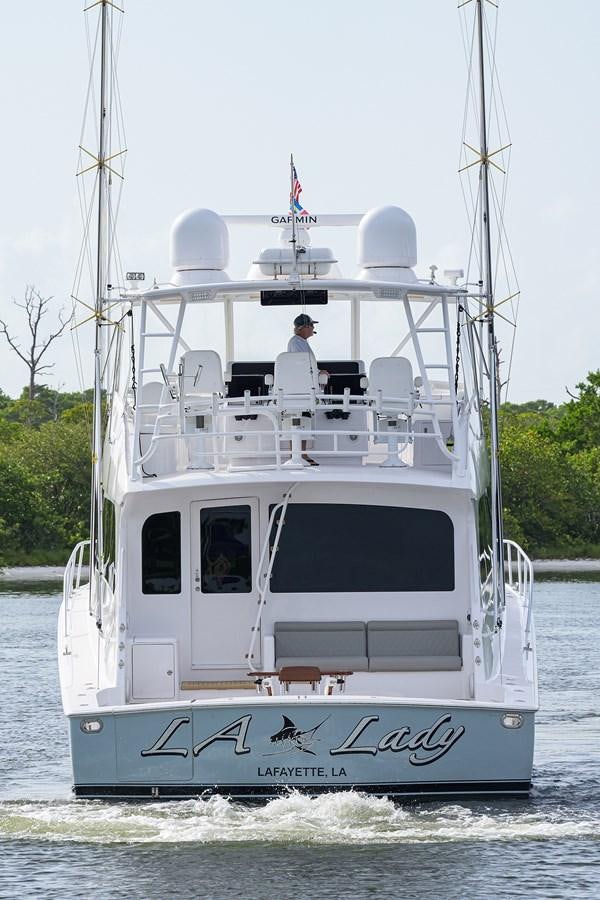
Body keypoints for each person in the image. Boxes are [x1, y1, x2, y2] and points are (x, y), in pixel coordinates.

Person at [286, 313, 322, 466]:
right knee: (298, 419)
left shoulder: (300, 342)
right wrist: (320, 373)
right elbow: (304, 363)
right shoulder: (297, 342)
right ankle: (298, 454)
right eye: (312, 325)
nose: (314, 328)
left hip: (302, 387)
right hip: (299, 388)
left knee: (303, 419)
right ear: (304, 327)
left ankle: (301, 454)